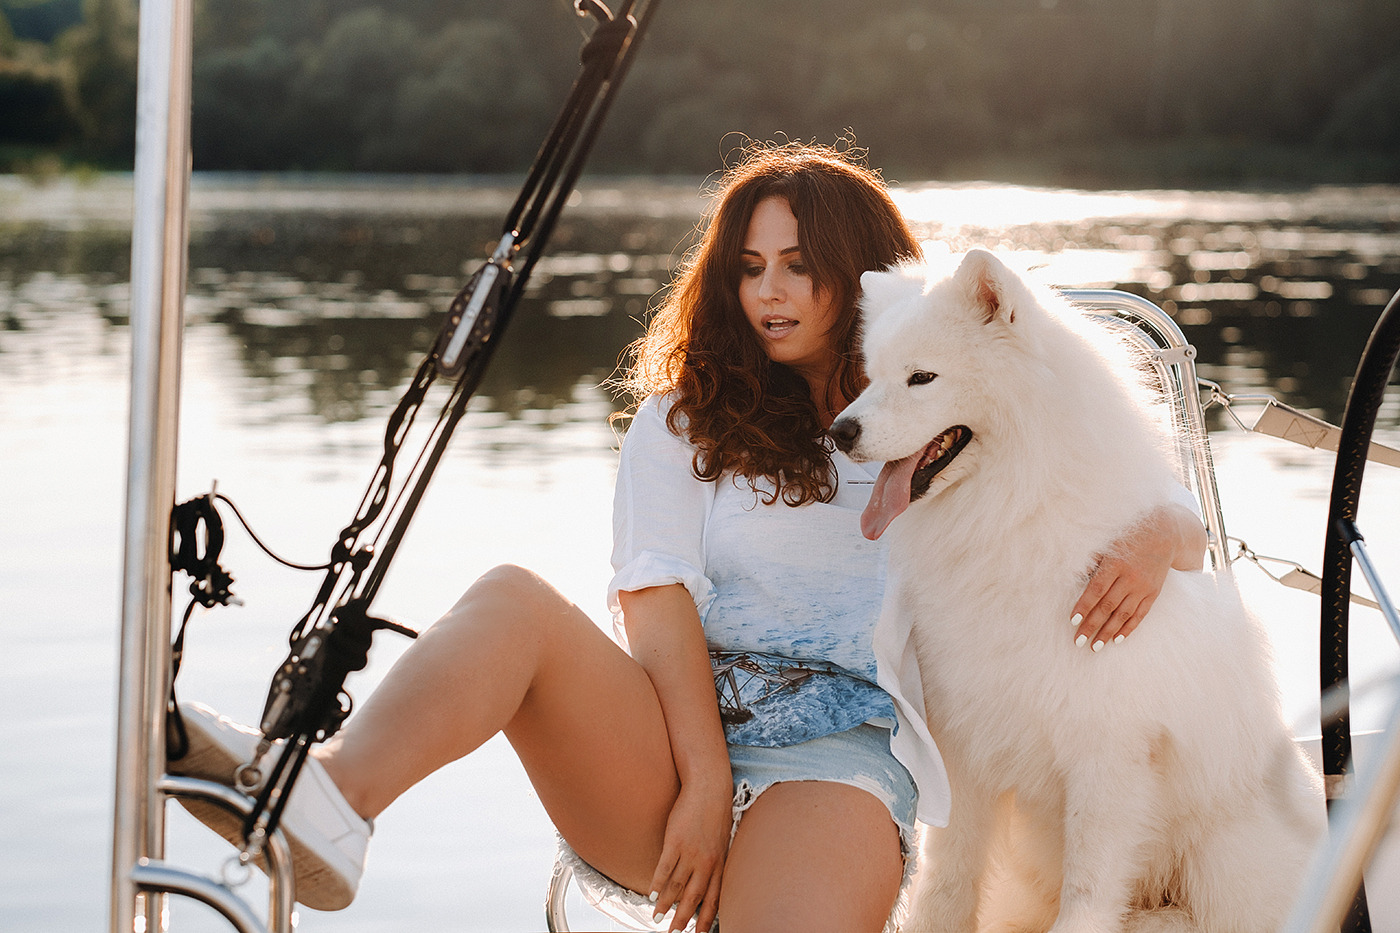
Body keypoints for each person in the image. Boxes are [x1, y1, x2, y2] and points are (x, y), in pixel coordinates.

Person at [173, 140, 1207, 933]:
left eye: (799, 265)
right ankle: (331, 801)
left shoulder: (943, 419)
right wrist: (703, 779)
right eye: (749, 264)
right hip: (670, 744)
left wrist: (1164, 532)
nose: (767, 291)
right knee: (510, 600)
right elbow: (653, 600)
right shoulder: (682, 420)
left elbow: (1095, 474)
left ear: (855, 274)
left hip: (844, 760)